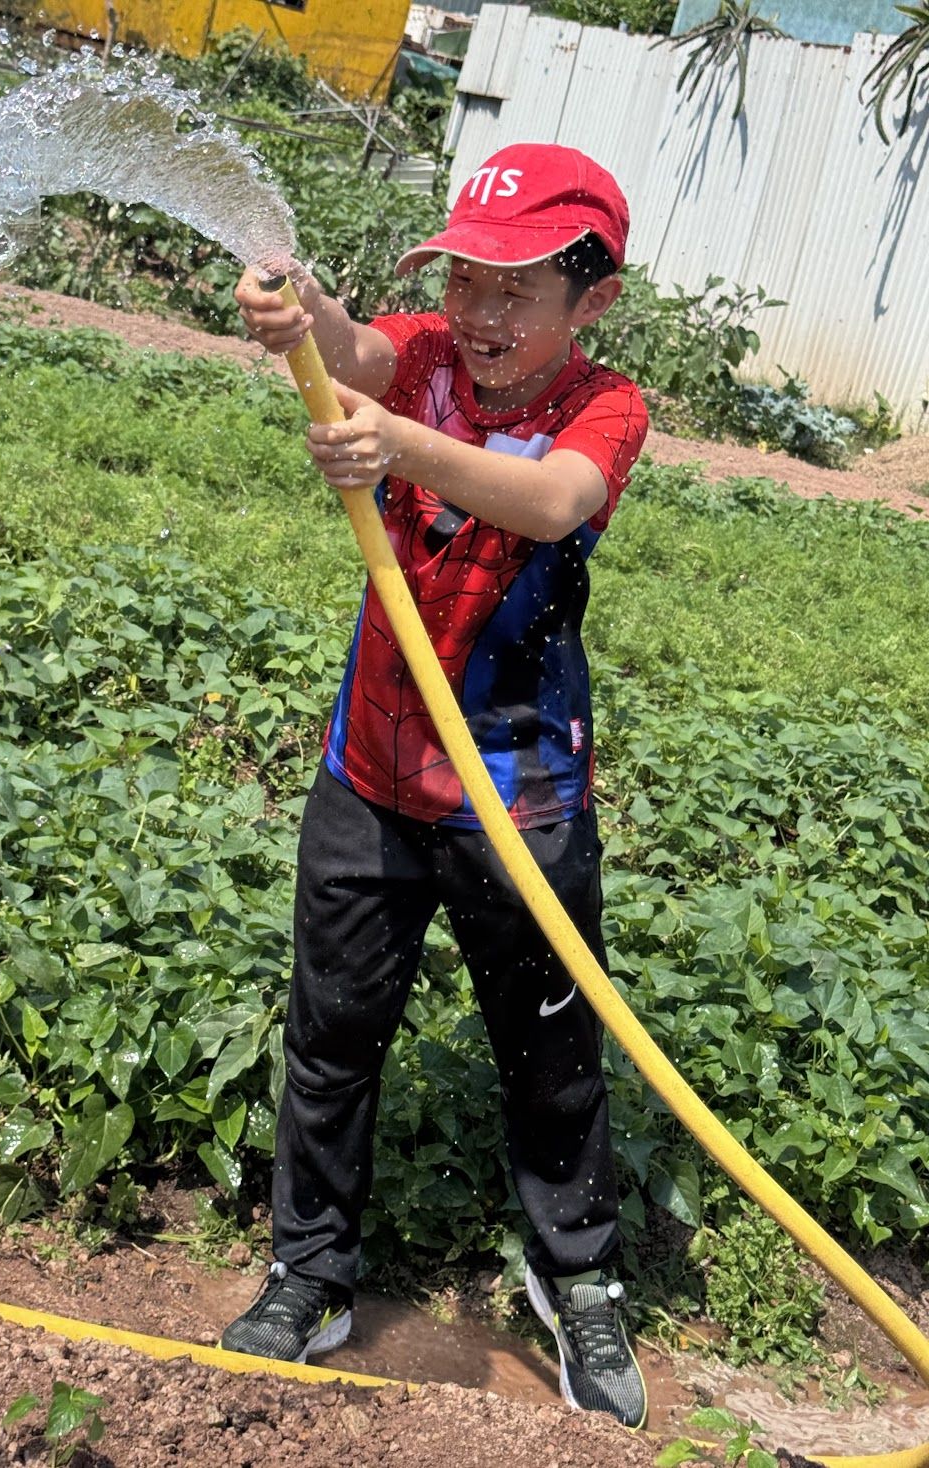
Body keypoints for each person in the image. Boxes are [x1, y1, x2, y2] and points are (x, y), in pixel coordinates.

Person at [218, 142, 650, 1430]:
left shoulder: (605, 408)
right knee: (333, 1036)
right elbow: (353, 350)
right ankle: (311, 1273)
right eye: (465, 279)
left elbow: (551, 500)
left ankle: (578, 1281)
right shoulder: (419, 357)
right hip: (371, 772)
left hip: (520, 797)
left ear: (591, 300)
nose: (481, 312)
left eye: (518, 288)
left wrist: (399, 445)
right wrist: (300, 309)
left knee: (552, 1052)